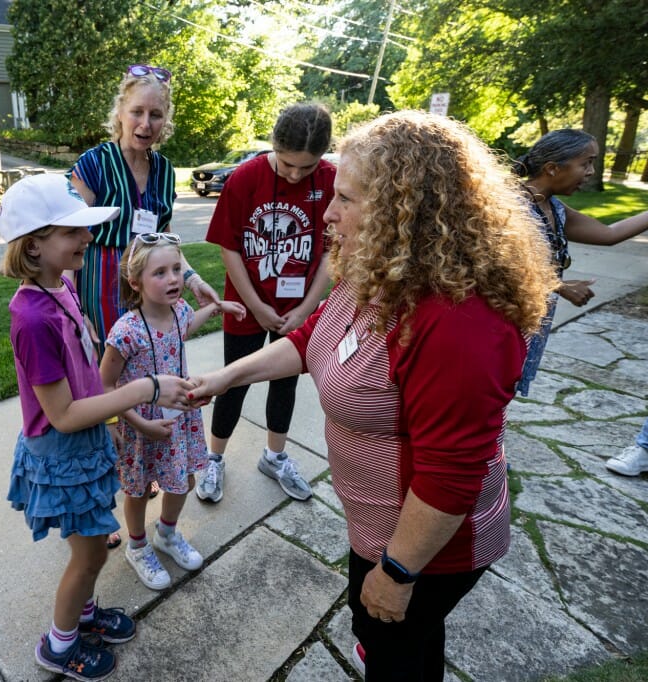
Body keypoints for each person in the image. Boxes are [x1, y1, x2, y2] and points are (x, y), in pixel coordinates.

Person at [189, 111, 559, 680]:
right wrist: (225, 378)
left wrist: (398, 572)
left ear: (404, 208)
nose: (328, 214)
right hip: (377, 524)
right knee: (372, 627)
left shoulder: (459, 321)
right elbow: (317, 337)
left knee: (400, 654)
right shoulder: (380, 269)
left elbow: (452, 471)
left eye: (347, 199)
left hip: (428, 548)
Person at [0, 173, 195, 680]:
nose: (87, 238)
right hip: (63, 453)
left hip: (84, 442)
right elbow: (60, 414)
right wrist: (141, 390)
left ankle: (84, 615)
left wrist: (107, 416)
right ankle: (59, 646)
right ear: (34, 246)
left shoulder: (59, 284)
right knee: (87, 558)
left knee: (91, 550)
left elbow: (82, 372)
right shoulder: (33, 319)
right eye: (72, 232)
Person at [69, 64, 219, 545]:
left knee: (143, 393)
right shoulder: (93, 164)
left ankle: (138, 485)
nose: (145, 123)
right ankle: (100, 510)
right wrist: (71, 306)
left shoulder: (165, 170)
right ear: (120, 112)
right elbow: (69, 235)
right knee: (100, 396)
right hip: (97, 291)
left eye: (156, 114)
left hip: (146, 292)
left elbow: (165, 241)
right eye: (137, 111)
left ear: (165, 119)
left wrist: (191, 277)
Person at [196, 103, 336, 504]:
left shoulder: (330, 180)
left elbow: (331, 251)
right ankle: (214, 458)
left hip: (297, 309)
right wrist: (256, 306)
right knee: (234, 381)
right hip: (246, 307)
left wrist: (308, 308)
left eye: (305, 168)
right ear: (274, 146)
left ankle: (274, 456)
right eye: (288, 164)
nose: (294, 174)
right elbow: (229, 247)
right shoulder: (245, 177)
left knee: (285, 382)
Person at [100, 232, 246, 590]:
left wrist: (215, 308)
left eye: (177, 270)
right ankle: (137, 546)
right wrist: (134, 424)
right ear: (135, 282)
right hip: (141, 426)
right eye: (161, 273)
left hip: (179, 420)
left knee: (183, 480)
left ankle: (166, 533)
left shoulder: (179, 311)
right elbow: (105, 386)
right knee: (137, 490)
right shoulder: (126, 331)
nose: (174, 279)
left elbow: (186, 327)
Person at [513, 129, 648, 396]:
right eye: (586, 163)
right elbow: (495, 264)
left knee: (502, 397)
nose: (590, 172)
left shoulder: (554, 208)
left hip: (528, 322)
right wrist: (559, 286)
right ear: (552, 168)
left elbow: (609, 234)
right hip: (496, 323)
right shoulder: (509, 205)